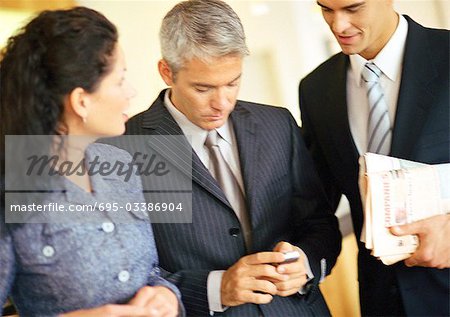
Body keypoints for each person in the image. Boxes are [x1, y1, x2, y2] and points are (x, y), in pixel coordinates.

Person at [123, 0, 341, 316]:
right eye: (203, 88)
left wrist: (305, 264)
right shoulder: (122, 146)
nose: (222, 103)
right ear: (166, 72)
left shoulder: (278, 124)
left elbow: (319, 222)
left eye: (233, 82)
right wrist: (217, 288)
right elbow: (129, 274)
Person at [0, 7, 183, 316]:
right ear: (81, 101)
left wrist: (166, 295)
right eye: (120, 80)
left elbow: (150, 270)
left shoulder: (121, 167)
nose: (131, 92)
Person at [299, 0, 449, 316]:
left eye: (353, 8)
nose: (337, 25)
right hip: (381, 299)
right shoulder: (316, 89)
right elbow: (317, 203)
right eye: (326, 9)